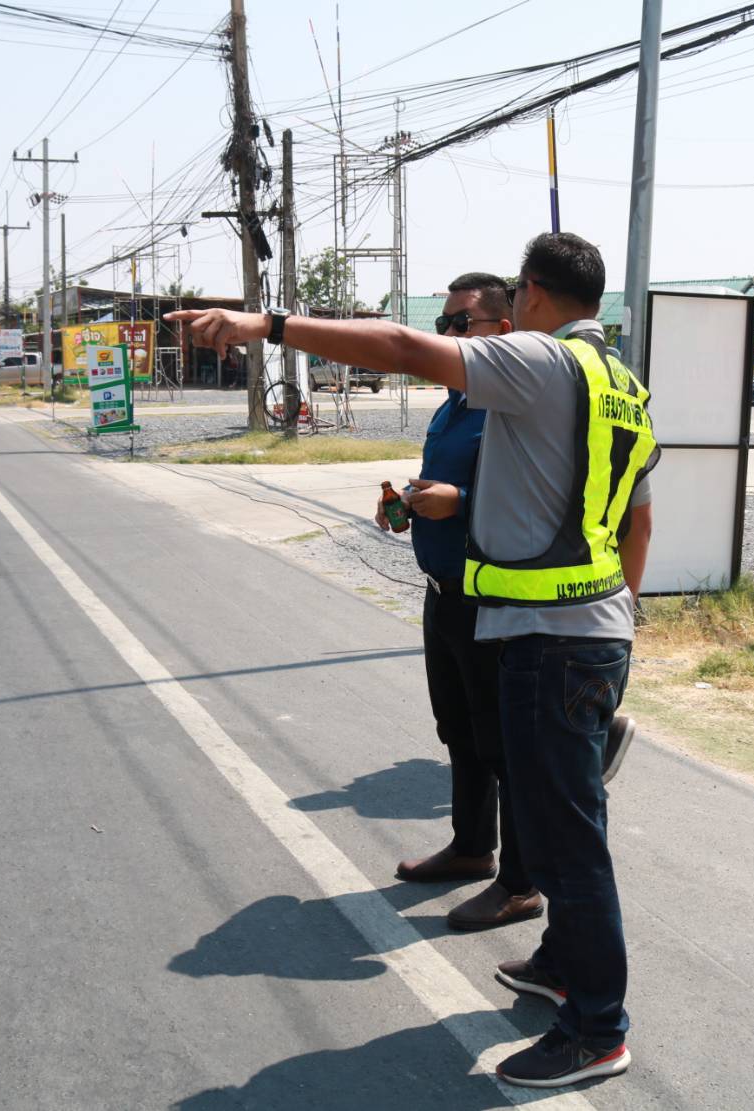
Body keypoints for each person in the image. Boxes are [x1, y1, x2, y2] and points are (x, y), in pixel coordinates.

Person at [168, 231, 657, 1090]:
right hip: (589, 627)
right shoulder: (622, 384)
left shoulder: (540, 359)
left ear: (531, 294)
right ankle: (562, 963)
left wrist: (265, 325)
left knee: (567, 840)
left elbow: (397, 346)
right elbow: (638, 520)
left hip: (552, 638)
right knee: (554, 820)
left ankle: (596, 1028)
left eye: (493, 307)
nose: (466, 329)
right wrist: (618, 617)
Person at [377, 272, 541, 933]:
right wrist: (410, 502)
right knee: (459, 732)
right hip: (442, 593)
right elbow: (447, 486)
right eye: (442, 323)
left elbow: (535, 504)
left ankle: (522, 884)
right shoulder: (454, 402)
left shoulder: (513, 407)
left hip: (489, 600)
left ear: (503, 330)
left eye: (459, 323)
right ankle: (472, 846)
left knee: (504, 745)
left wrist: (462, 503)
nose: (446, 334)